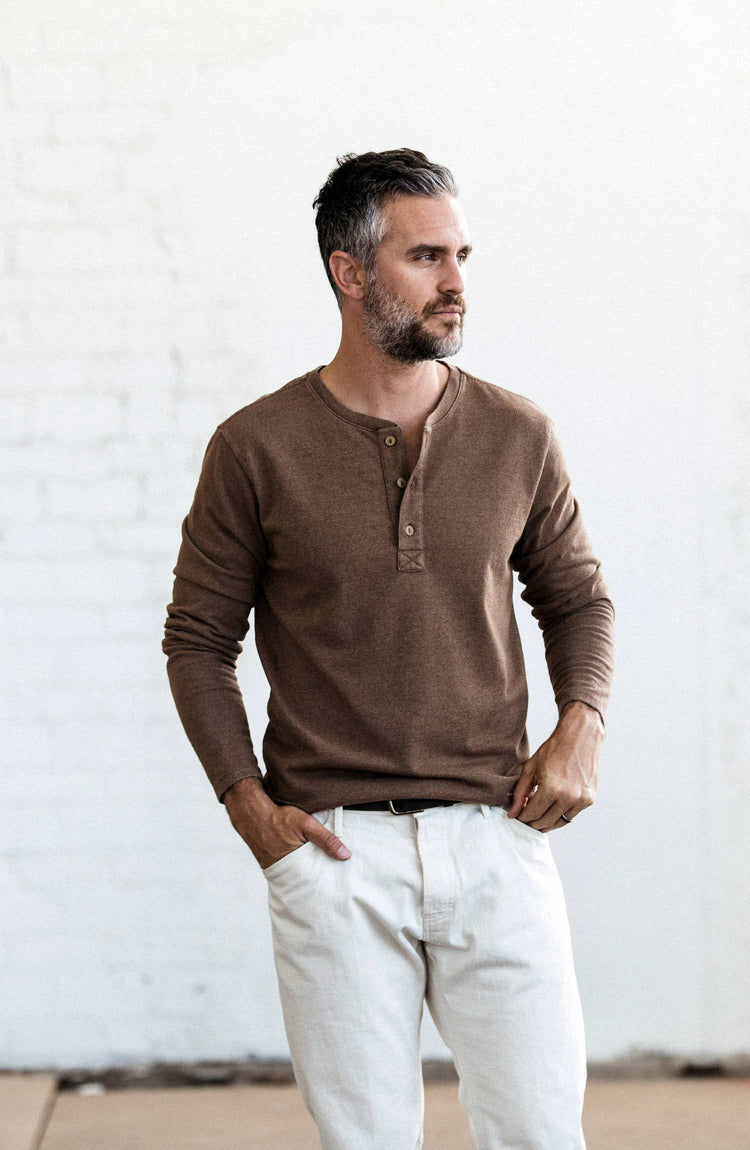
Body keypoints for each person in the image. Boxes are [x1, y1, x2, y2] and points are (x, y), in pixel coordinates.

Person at [162, 147, 615, 1150]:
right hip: (333, 850)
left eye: (462, 256)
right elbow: (197, 640)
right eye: (425, 257)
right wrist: (250, 811)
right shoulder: (255, 447)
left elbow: (578, 598)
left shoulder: (517, 433)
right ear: (350, 271)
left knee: (542, 1132)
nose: (456, 283)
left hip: (497, 832)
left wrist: (581, 723)